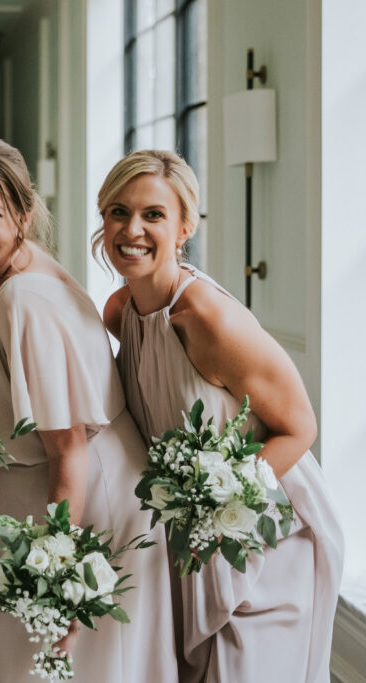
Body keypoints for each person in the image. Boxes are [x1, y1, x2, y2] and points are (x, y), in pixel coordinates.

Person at [0, 136, 177, 683]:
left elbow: (66, 449)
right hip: (28, 499)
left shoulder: (25, 299)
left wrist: (60, 580)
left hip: (82, 510)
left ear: (23, 213)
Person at [100, 149, 342, 683]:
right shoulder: (120, 312)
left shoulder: (207, 319)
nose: (131, 229)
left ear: (185, 226)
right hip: (192, 540)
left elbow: (300, 427)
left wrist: (217, 503)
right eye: (118, 211)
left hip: (267, 536)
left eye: (153, 215)